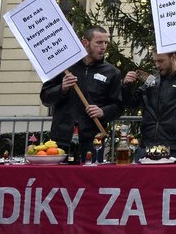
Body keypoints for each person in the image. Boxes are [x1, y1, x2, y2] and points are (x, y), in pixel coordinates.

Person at [40, 25, 123, 157]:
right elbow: (45, 98)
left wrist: (103, 112)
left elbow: (118, 106)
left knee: (91, 177)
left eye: (106, 42)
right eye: (99, 42)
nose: (104, 47)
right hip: (62, 138)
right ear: (85, 43)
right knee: (60, 177)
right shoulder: (64, 67)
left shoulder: (112, 72)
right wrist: (62, 88)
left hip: (93, 140)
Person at [122, 52, 176, 162]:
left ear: (173, 58)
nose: (157, 65)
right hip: (147, 146)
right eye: (155, 61)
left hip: (174, 148)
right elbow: (131, 103)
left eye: (161, 61)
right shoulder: (152, 80)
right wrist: (126, 86)